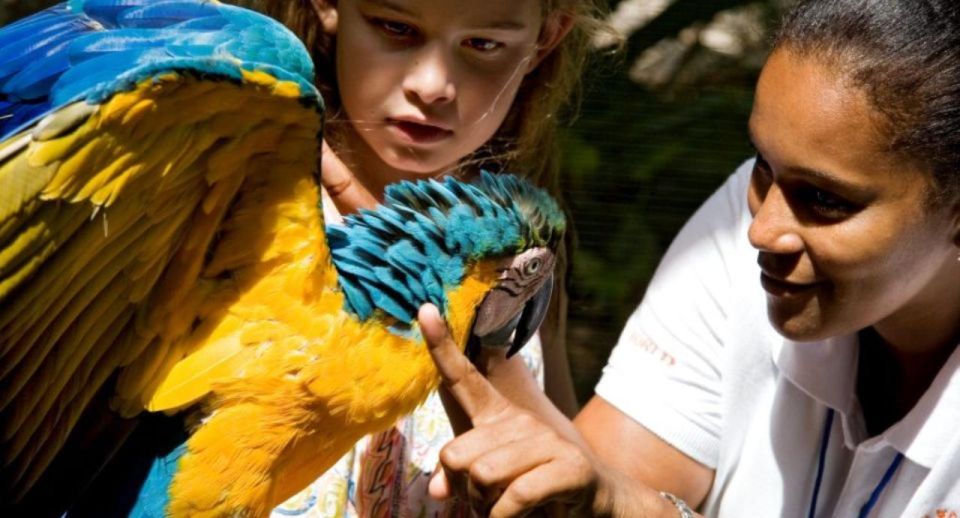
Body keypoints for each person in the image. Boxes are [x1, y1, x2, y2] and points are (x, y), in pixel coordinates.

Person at [419, 0, 960, 516]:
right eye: (763, 167)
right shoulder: (741, 220)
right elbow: (594, 481)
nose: (762, 230)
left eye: (825, 201)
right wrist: (489, 358)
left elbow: (621, 500)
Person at [242, 0, 610, 515]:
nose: (433, 84)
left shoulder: (519, 254)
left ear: (544, 40)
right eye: (396, 27)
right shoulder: (240, 211)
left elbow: (568, 482)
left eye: (483, 44)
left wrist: (494, 370)